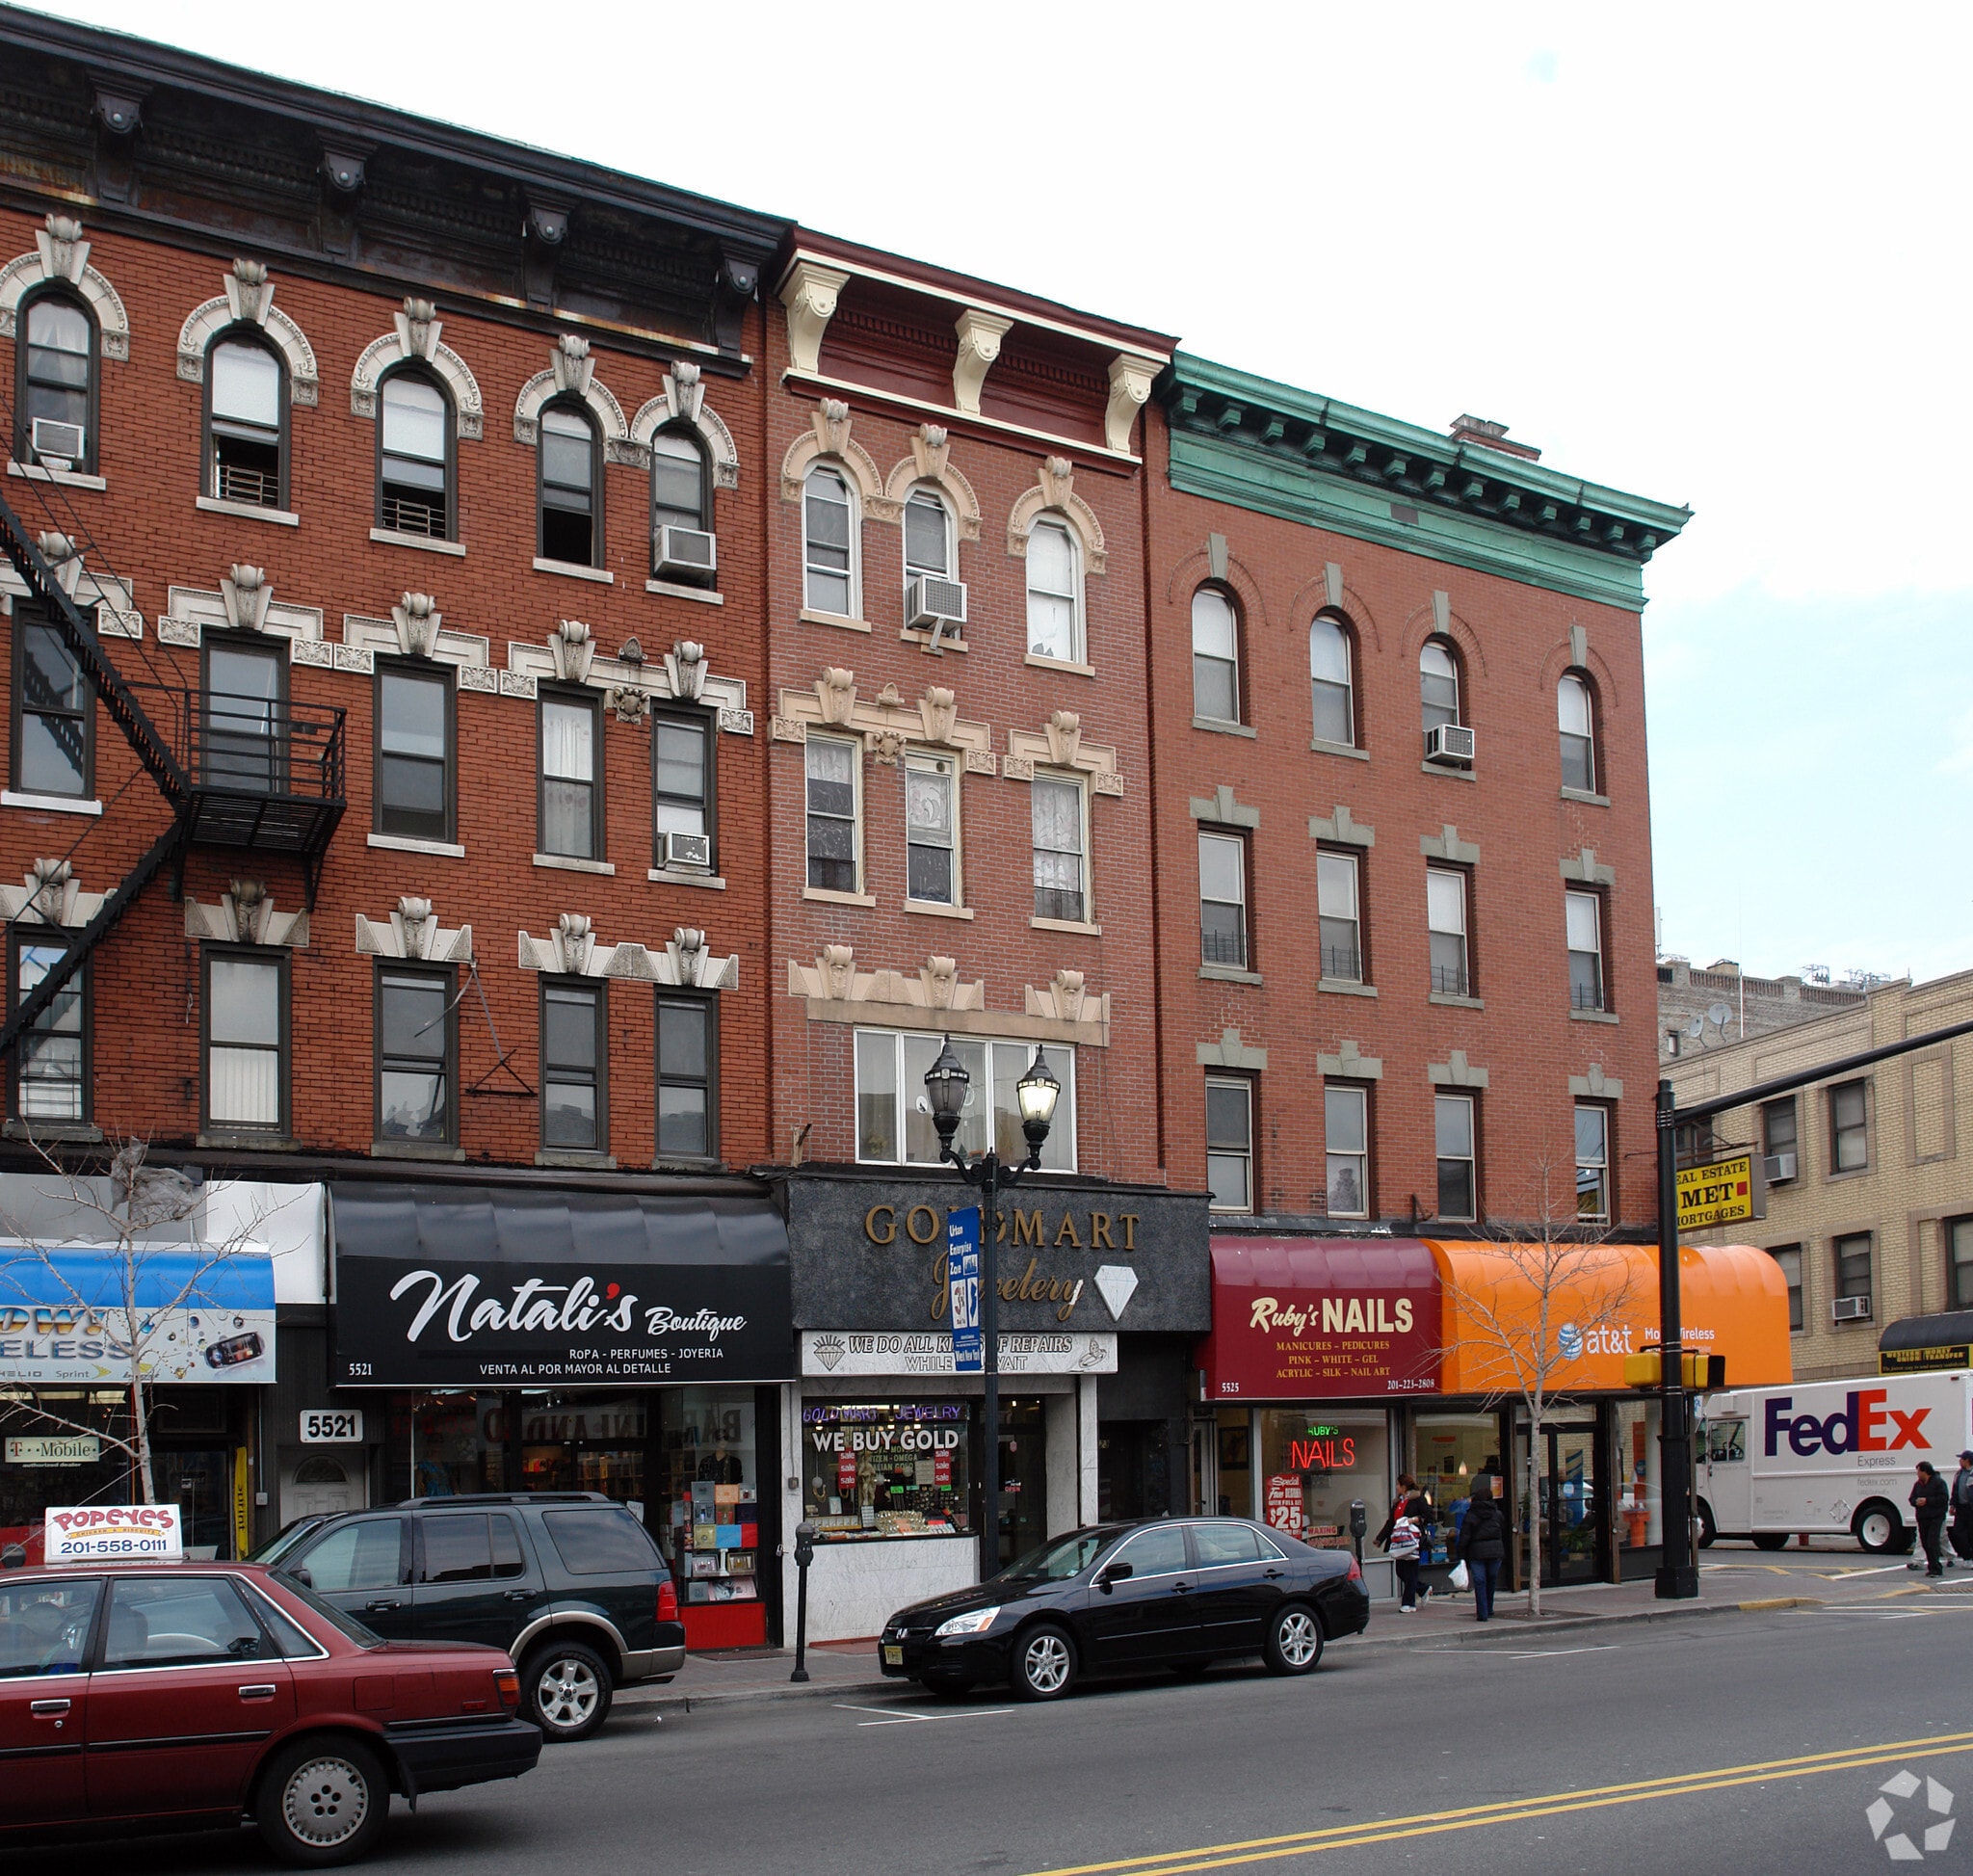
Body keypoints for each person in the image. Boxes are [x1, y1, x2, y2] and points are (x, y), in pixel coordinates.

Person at [1459, 1473, 1508, 1621]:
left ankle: (1483, 1612)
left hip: (1476, 1554)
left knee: (1480, 1582)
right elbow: (1503, 1532)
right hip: (1495, 1552)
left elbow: (1465, 1537)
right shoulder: (1497, 1514)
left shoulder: (1471, 1515)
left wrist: (1461, 1555)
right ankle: (1490, 1608)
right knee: (1491, 1580)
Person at [1910, 1461, 1949, 1578]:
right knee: (1925, 1542)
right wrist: (1916, 1502)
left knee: (1933, 1541)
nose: (1917, 1473)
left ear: (1924, 1471)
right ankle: (1932, 1566)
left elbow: (1943, 1498)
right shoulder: (1918, 1485)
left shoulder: (1938, 1483)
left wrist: (1927, 1501)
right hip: (1922, 1517)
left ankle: (1936, 1568)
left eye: (1918, 1471)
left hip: (1936, 1516)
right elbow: (1912, 1498)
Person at [1951, 1452, 1973, 1566]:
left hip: (1970, 1508)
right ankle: (1967, 1555)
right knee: (1958, 1532)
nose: (1960, 1461)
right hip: (1961, 1508)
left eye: (1961, 1459)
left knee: (1971, 1532)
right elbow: (1955, 1490)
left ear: (1967, 1460)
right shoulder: (1959, 1474)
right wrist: (1952, 1505)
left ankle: (1970, 1558)